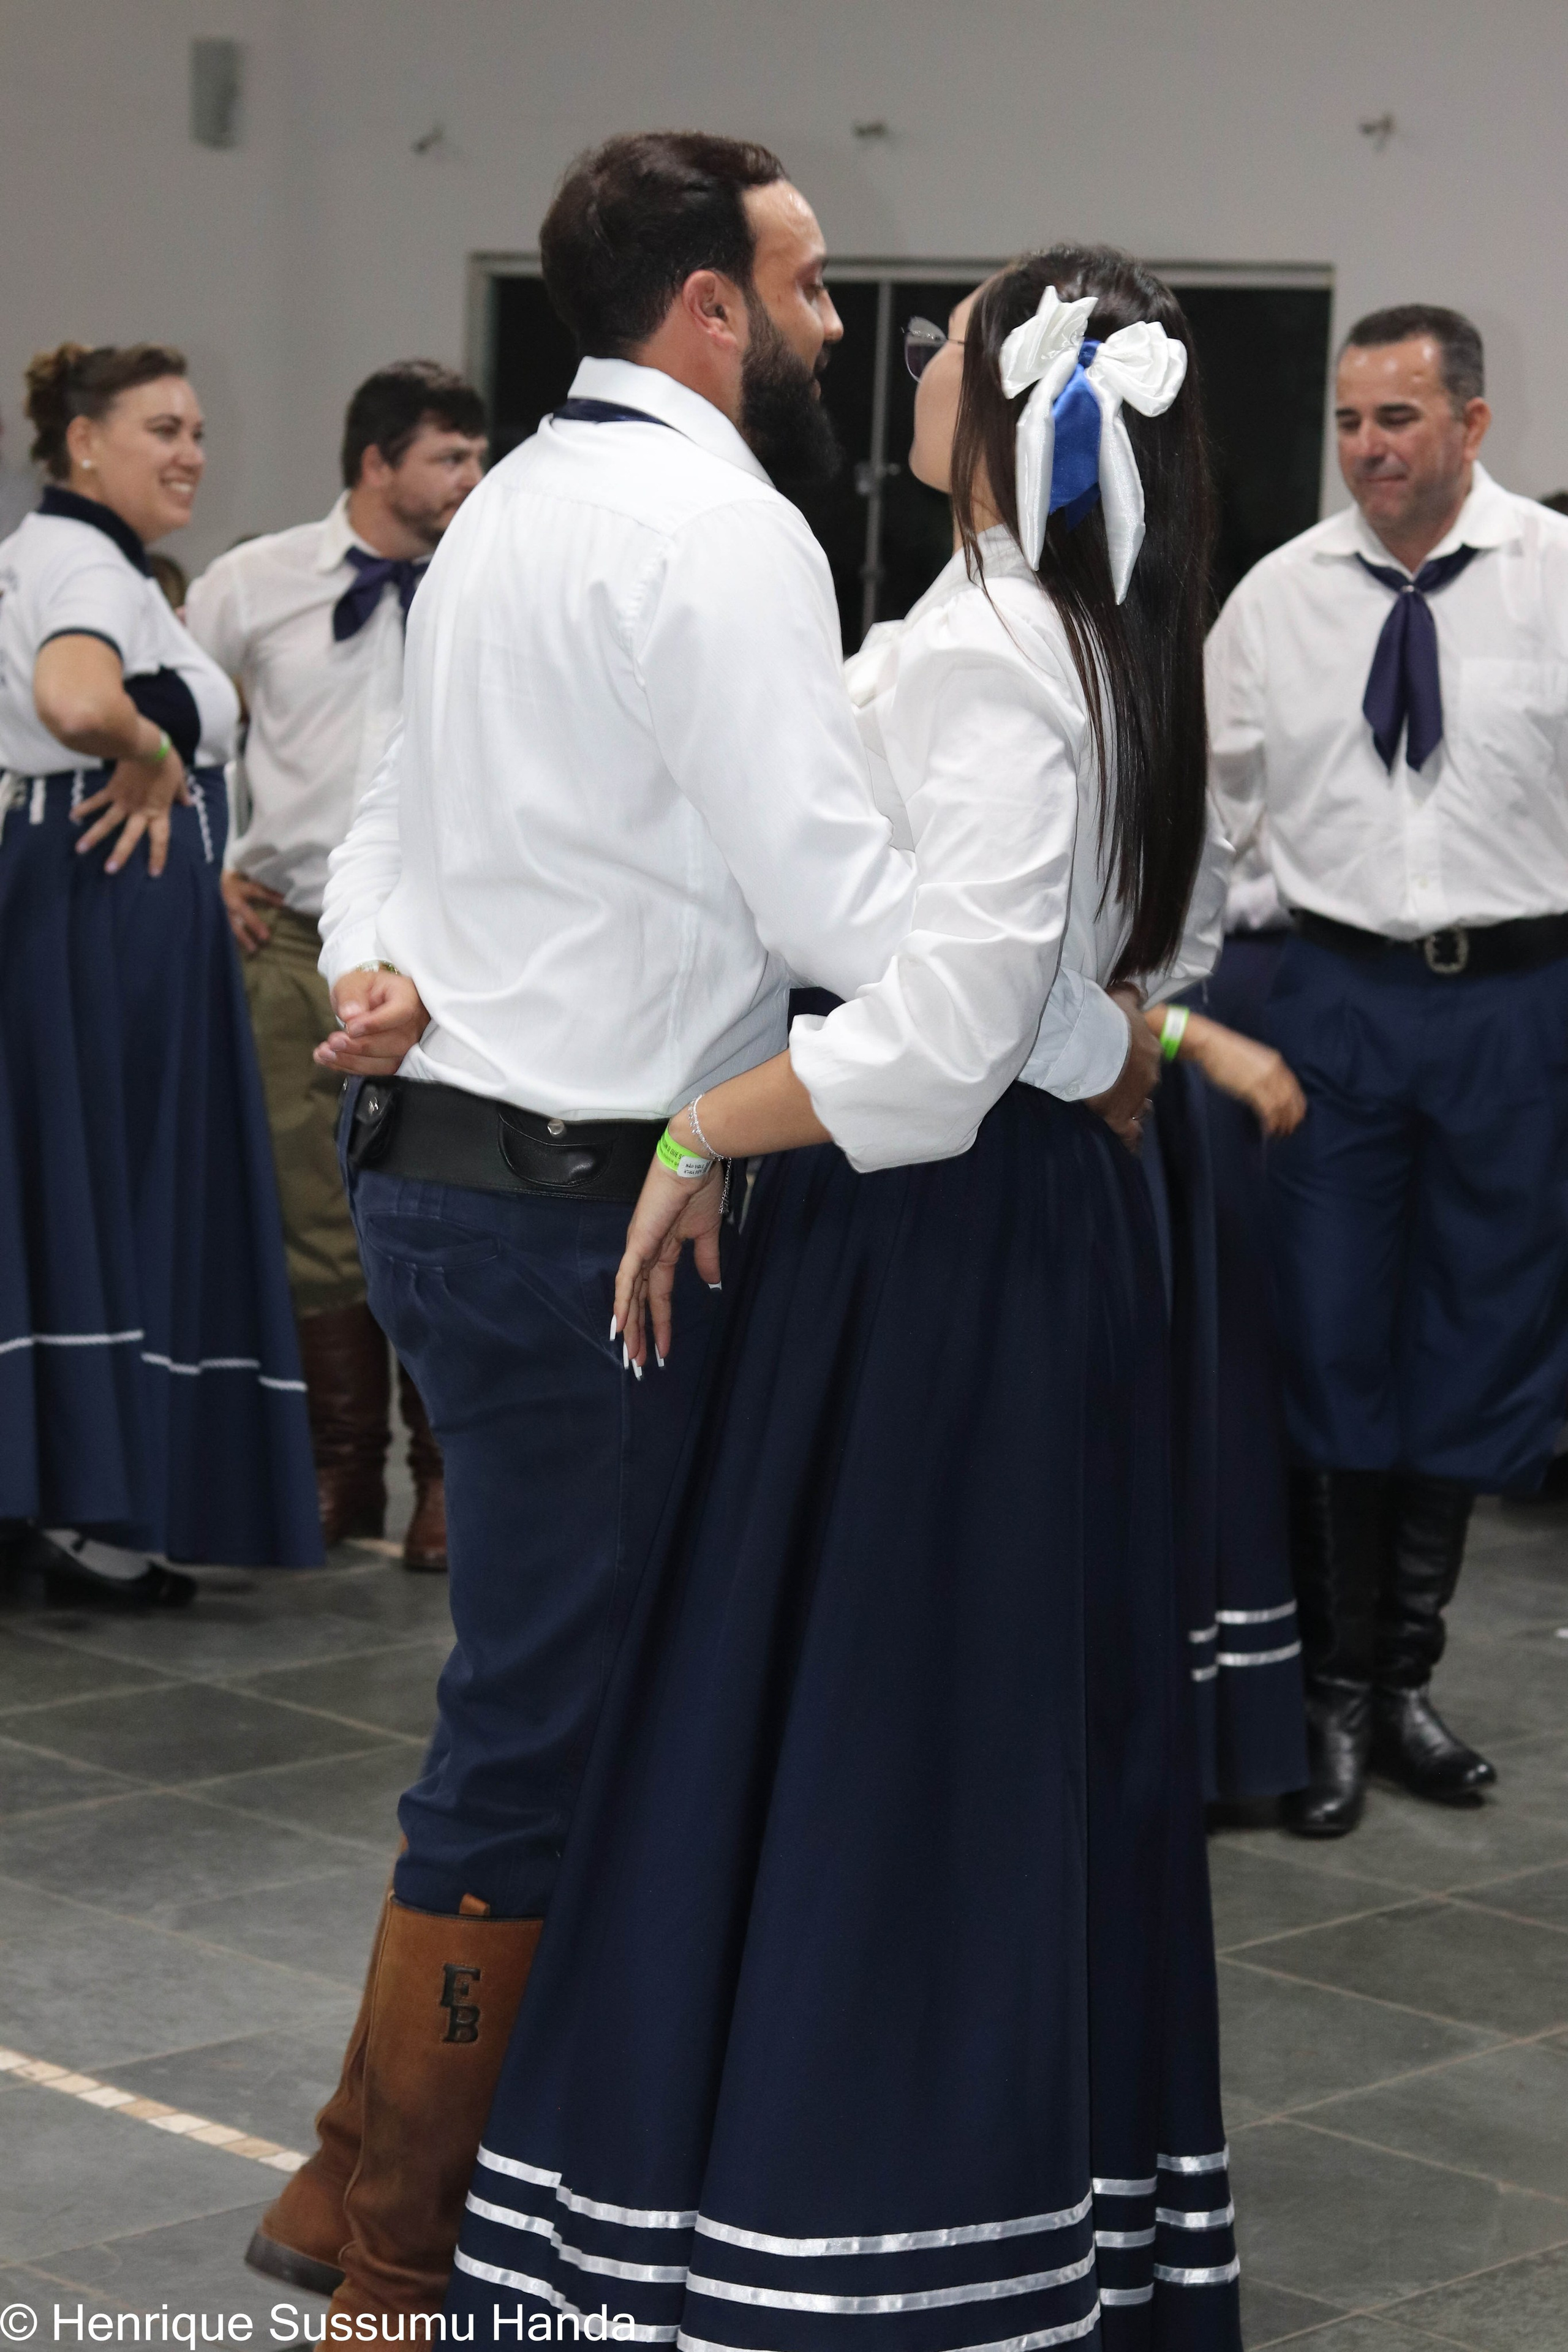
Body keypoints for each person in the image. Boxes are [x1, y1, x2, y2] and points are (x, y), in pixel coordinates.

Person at [447, 248, 1240, 2352]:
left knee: (883, 1743)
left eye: (953, 336)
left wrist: (712, 1129)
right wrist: (1099, 1053)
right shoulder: (1110, 634)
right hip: (1014, 1231)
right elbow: (1116, 994)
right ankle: (1017, 2210)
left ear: (1016, 404)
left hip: (934, 1250)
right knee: (973, 1733)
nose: (911, 359)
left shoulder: (998, 645)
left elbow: (945, 1027)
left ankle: (860, 2225)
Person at [1207, 304, 1568, 1836]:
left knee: (1478, 1339)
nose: (1366, 446)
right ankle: (1329, 1696)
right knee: (1333, 1334)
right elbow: (1208, 811)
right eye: (1349, 420)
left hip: (1516, 1001)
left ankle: (1404, 1677)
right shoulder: (1276, 600)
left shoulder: (1556, 583)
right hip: (1338, 999)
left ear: (1471, 426)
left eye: (1398, 419)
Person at [0, 343, 320, 1602]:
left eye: (196, 429)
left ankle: (71, 1487)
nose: (192, 451)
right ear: (83, 443)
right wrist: (144, 742)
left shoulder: (73, 557)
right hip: (105, 905)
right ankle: (97, 1507)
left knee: (79, 1183)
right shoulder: (82, 561)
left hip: (87, 901)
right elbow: (76, 701)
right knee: (122, 1182)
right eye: (162, 430)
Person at [186, 363, 488, 1570]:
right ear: (375, 464)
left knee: (446, 1206)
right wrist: (203, 866)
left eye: (477, 460)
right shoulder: (250, 583)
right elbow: (164, 727)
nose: (472, 481)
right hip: (295, 933)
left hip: (447, 945)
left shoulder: (492, 578)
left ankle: (445, 1481)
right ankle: (341, 1466)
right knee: (311, 1210)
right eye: (449, 460)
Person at [1138, 958, 1310, 1811]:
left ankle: (1198, 1731)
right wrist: (1187, 1032)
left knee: (1213, 1383)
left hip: (1160, 1045)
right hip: (1116, 1052)